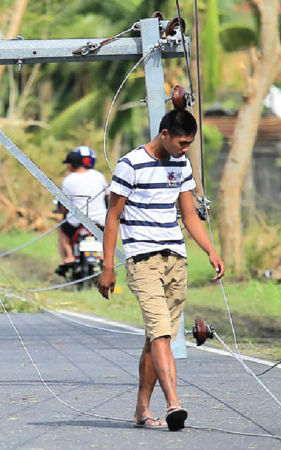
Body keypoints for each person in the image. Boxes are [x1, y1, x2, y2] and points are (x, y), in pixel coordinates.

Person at [97, 109, 224, 432]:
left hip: (176, 259)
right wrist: (107, 267)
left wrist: (210, 251)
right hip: (143, 260)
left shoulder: (181, 164)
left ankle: (142, 409)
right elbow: (113, 217)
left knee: (156, 339)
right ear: (164, 134)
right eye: (182, 142)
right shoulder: (130, 164)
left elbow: (189, 215)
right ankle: (173, 403)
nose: (185, 149)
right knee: (161, 333)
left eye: (189, 144)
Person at [55, 149, 109, 276]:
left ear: (70, 164)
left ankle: (68, 257)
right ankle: (106, 256)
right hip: (100, 219)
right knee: (109, 234)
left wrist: (63, 214)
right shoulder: (98, 175)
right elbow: (109, 196)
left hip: (77, 221)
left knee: (62, 231)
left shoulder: (68, 180)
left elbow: (64, 204)